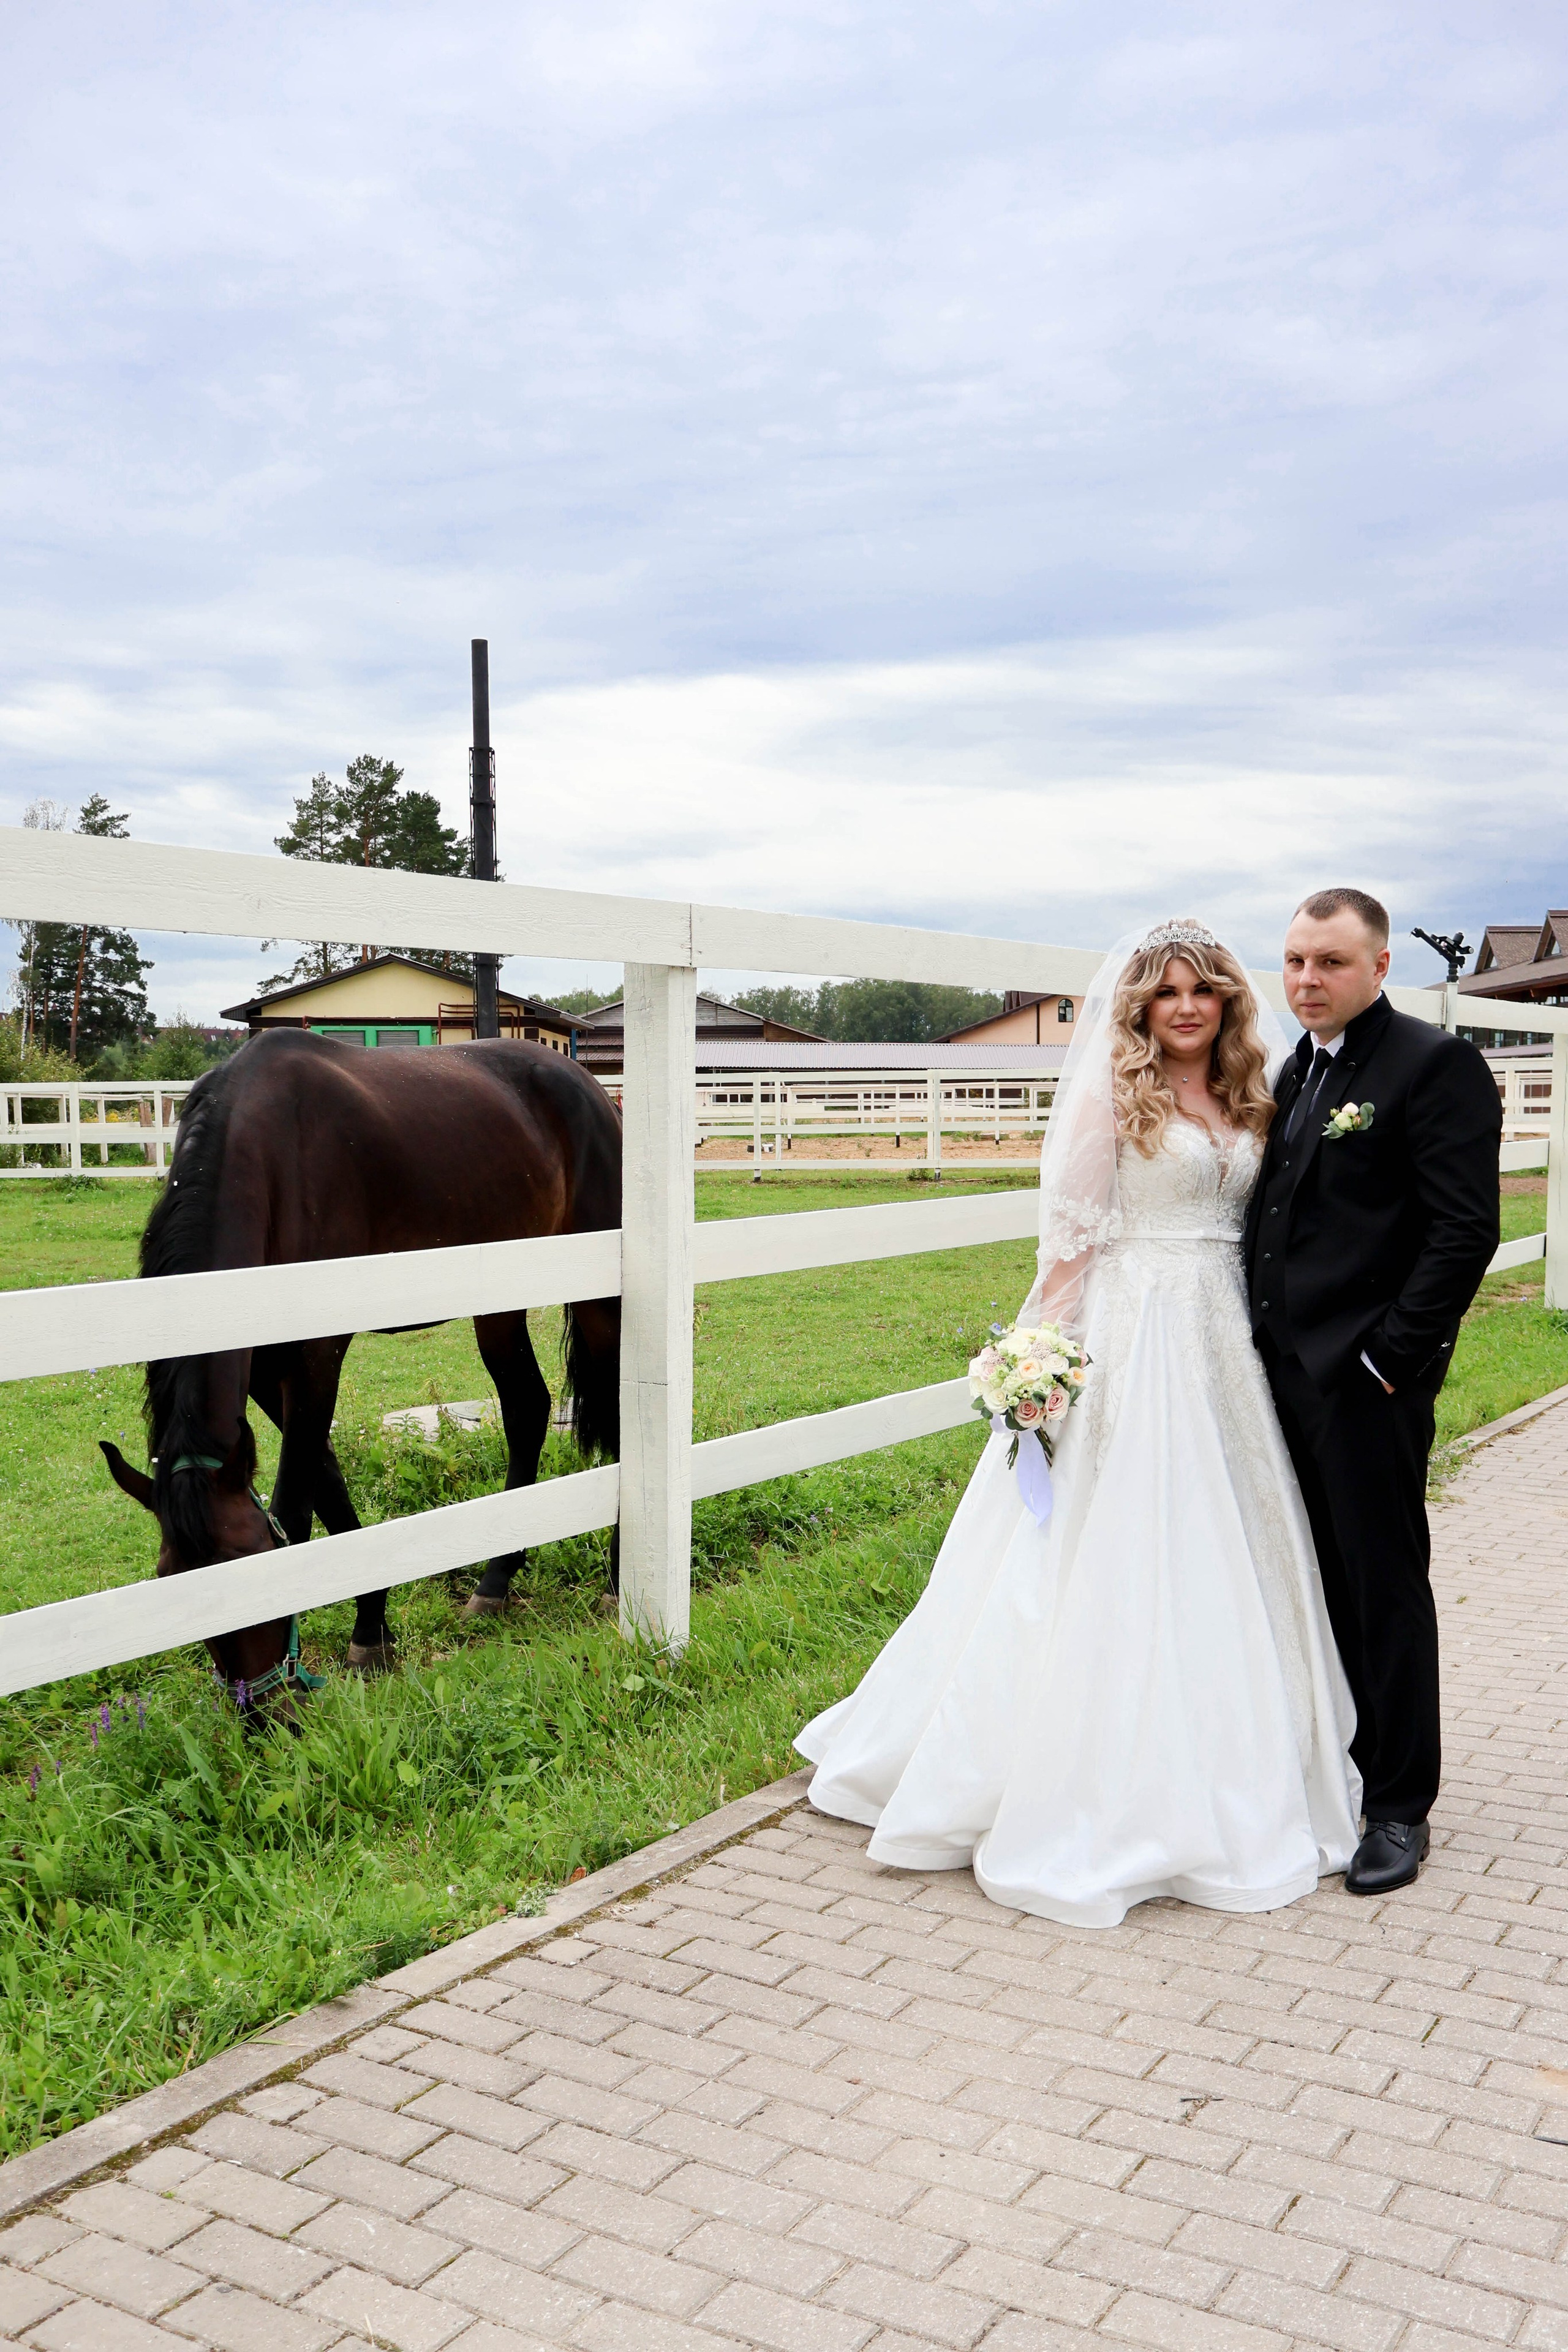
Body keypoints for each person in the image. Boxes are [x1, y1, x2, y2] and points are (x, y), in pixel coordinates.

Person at [796, 920, 1362, 1928]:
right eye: (1167, 992)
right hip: (1135, 1333)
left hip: (1228, 1338)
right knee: (1108, 1540)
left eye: (1206, 992)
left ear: (1230, 1003)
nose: (1187, 1008)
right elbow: (1069, 1244)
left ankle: (1241, 1752)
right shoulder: (1117, 1090)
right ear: (1139, 1004)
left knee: (1228, 1537)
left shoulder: (1252, 1091)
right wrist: (1041, 1368)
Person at [1246, 889, 1501, 1894]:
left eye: (1332, 963)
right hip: (1273, 1376)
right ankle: (1335, 1767)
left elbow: (1462, 1231)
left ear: (1382, 967)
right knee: (1310, 1581)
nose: (1309, 981)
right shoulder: (1296, 1067)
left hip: (1363, 1383)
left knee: (1383, 1585)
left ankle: (1399, 1806)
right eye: (1297, 961)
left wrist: (1391, 1359)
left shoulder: (1433, 1066)